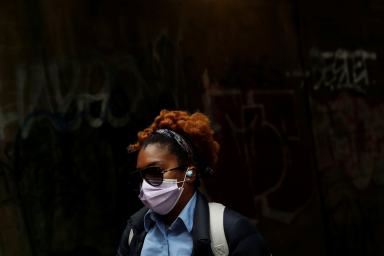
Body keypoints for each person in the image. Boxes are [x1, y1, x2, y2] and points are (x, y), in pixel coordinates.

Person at [116, 109, 270, 256]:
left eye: (155, 172)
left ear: (190, 173)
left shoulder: (232, 231)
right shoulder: (134, 231)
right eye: (140, 177)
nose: (145, 185)